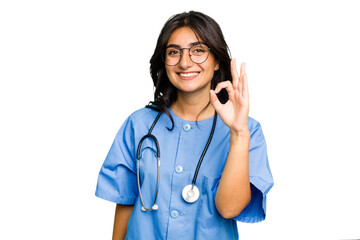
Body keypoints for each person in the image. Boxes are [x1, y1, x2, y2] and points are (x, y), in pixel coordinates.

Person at [95, 11, 274, 240]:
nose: (185, 62)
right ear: (164, 61)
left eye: (198, 50)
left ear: (217, 60)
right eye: (173, 52)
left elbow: (229, 209)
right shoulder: (138, 125)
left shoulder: (248, 131)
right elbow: (126, 202)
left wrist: (238, 133)